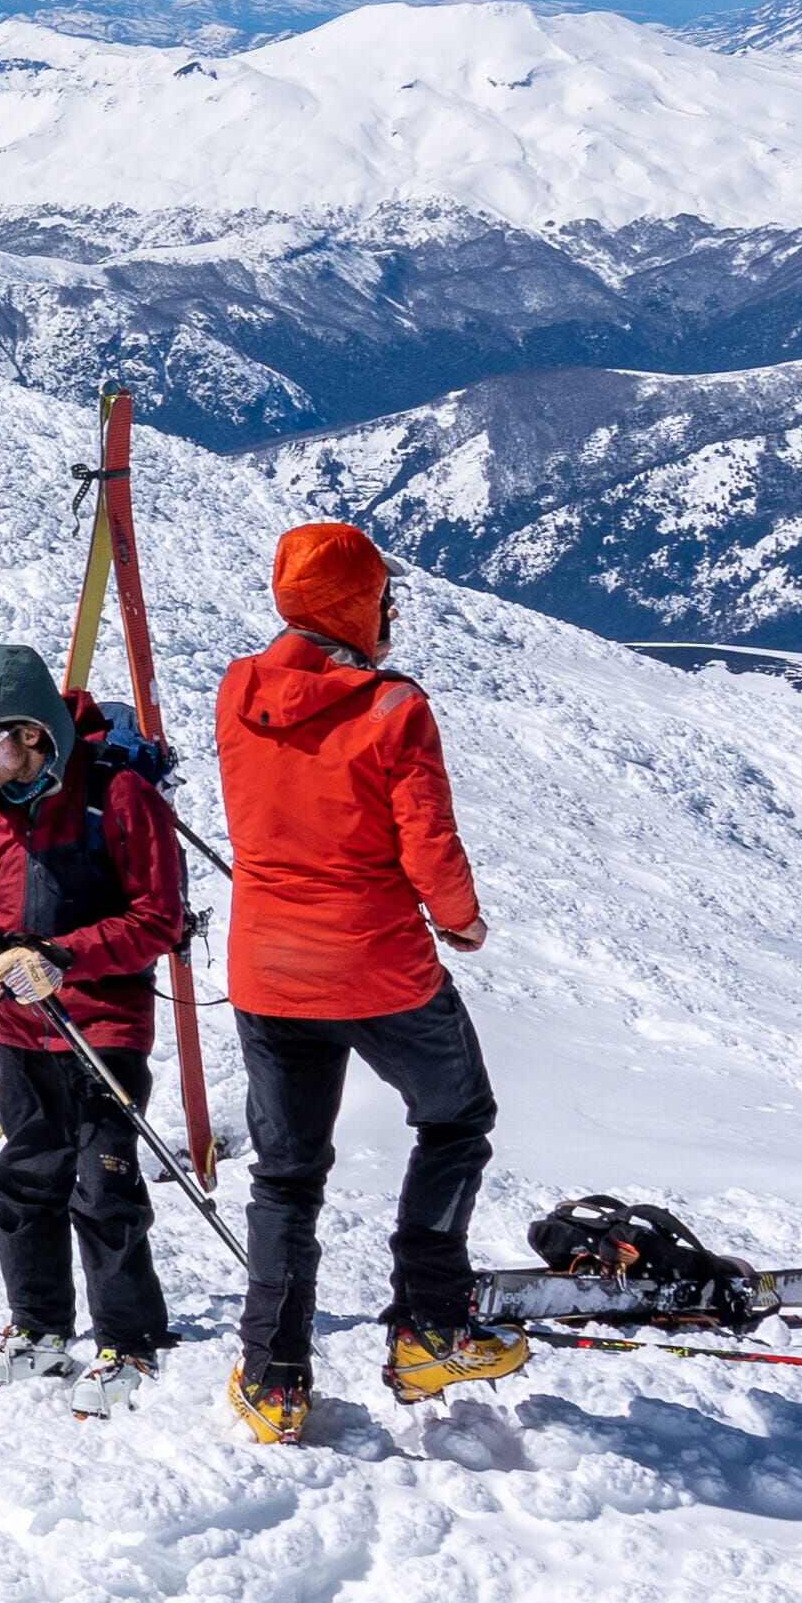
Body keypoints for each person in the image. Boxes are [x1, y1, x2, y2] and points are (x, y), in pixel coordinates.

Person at [211, 522, 509, 1443]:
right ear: (356, 602)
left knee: (287, 1174)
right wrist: (459, 921)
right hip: (377, 964)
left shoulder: (235, 690)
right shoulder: (393, 708)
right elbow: (427, 840)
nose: (389, 616)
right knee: (455, 1118)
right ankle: (427, 1325)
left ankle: (274, 1376)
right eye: (383, 599)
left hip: (267, 969)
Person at [0, 639, 193, 1389]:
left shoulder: (117, 796)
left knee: (102, 1181)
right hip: (17, 1024)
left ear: (33, 734)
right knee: (25, 1175)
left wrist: (63, 957)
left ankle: (129, 1338)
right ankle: (38, 1324)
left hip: (103, 1022)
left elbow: (157, 919)